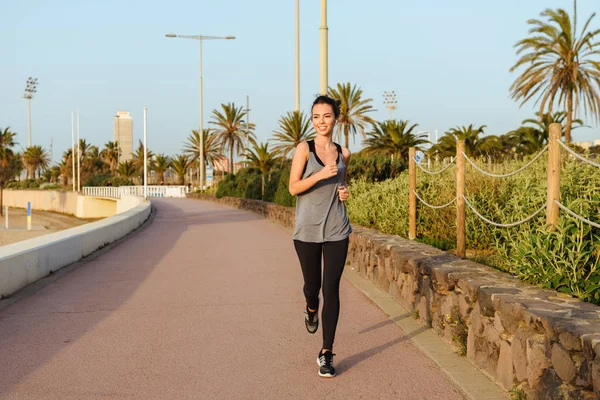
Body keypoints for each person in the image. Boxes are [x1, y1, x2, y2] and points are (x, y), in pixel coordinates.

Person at [288, 95, 351, 378]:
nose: (321, 121)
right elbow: (293, 188)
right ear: (312, 120)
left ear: (335, 119)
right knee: (312, 286)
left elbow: (342, 184)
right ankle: (310, 307)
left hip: (337, 228)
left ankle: (327, 352)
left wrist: (344, 192)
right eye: (316, 116)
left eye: (326, 116)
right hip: (307, 230)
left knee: (332, 289)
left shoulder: (344, 153)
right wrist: (319, 175)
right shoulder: (304, 148)